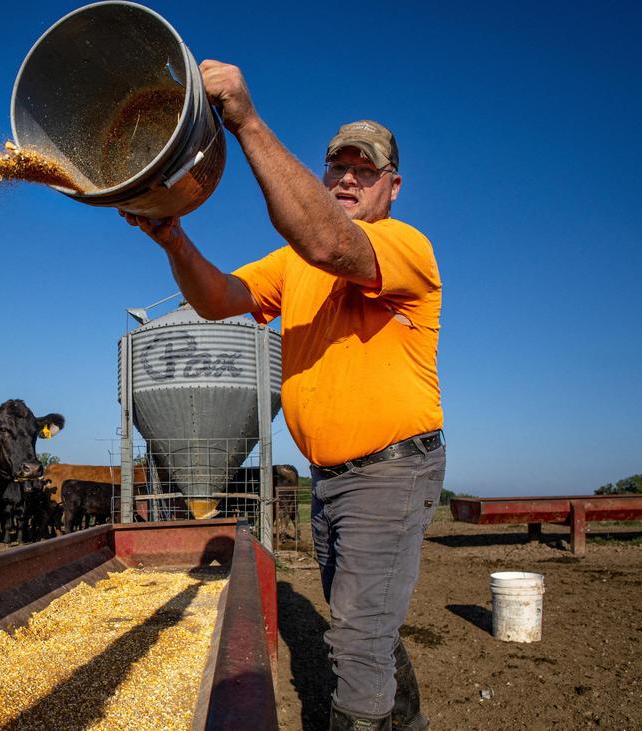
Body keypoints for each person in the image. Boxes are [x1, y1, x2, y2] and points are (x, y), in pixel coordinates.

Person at [121, 60, 444, 731]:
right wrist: (173, 237)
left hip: (389, 470)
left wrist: (245, 120)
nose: (348, 178)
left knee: (352, 646)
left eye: (366, 169)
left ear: (393, 185)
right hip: (330, 482)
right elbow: (217, 300)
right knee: (364, 623)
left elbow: (328, 239)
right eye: (339, 167)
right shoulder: (293, 264)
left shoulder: (403, 248)